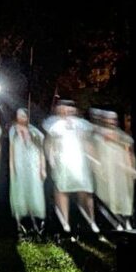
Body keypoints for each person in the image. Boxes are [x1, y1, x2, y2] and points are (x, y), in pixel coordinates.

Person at [43, 100, 99, 233]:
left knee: (86, 190)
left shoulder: (81, 125)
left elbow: (87, 142)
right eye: (63, 111)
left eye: (69, 111)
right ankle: (65, 222)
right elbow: (48, 143)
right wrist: (51, 159)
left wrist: (94, 159)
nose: (66, 113)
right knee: (62, 190)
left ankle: (91, 220)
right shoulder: (53, 124)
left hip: (79, 160)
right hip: (62, 160)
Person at [91, 110, 136, 230]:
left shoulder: (121, 135)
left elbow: (128, 148)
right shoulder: (97, 134)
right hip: (106, 171)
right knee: (107, 199)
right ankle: (115, 223)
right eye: (108, 119)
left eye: (113, 120)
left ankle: (126, 221)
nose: (110, 122)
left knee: (123, 198)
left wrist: (130, 167)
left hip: (119, 172)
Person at [9, 107, 46, 234]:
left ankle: (35, 223)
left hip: (33, 166)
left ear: (27, 117)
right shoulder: (13, 130)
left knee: (33, 191)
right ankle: (19, 225)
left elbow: (41, 151)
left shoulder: (35, 132)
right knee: (19, 192)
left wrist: (43, 168)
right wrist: (12, 168)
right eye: (19, 116)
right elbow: (11, 151)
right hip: (19, 166)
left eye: (23, 116)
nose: (21, 118)